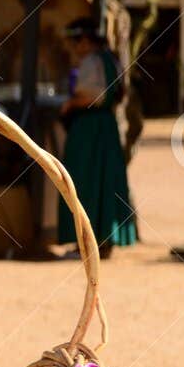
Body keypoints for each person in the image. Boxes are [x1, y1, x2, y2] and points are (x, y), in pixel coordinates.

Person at [57, 18, 136, 259]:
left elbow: (95, 96)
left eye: (77, 41)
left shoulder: (92, 62)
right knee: (104, 181)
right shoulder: (110, 59)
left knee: (84, 183)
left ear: (86, 41)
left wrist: (70, 104)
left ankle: (86, 244)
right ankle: (102, 242)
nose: (75, 46)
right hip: (106, 128)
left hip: (90, 128)